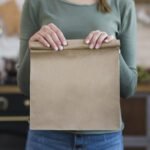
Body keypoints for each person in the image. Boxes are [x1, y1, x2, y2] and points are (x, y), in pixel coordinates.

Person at [16, 0, 137, 149]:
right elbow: (24, 87)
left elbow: (128, 88)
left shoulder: (122, 3)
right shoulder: (36, 3)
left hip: (103, 140)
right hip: (46, 138)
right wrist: (33, 48)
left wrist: (112, 51)